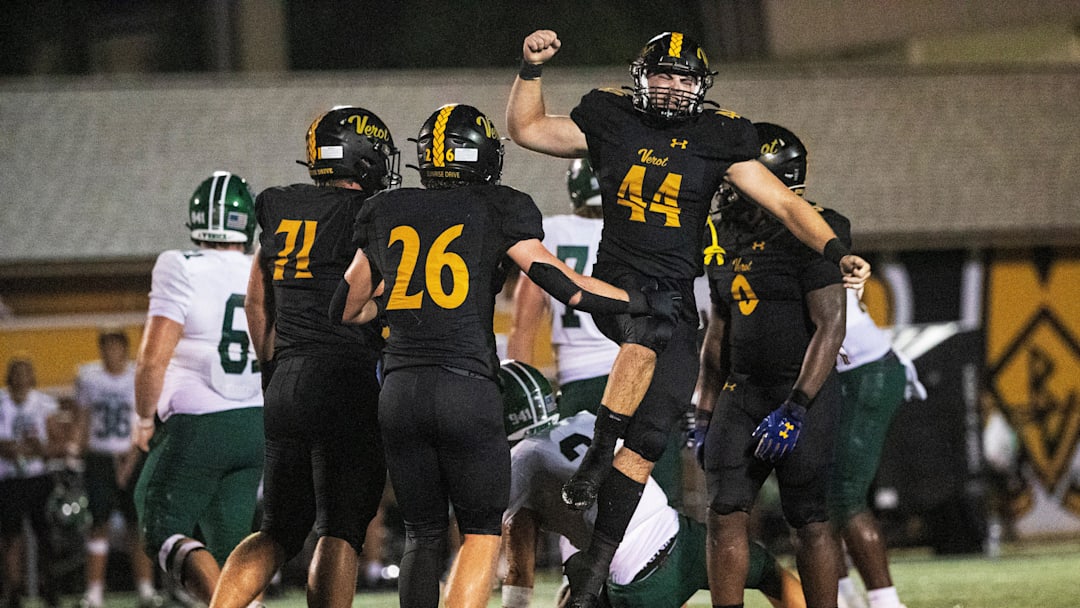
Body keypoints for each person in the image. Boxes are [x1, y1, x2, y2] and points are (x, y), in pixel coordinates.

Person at [505, 29, 870, 607]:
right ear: (640, 77)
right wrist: (529, 70)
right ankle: (600, 447)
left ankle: (597, 565)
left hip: (674, 299)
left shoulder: (718, 137)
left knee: (650, 438)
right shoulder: (613, 118)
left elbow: (785, 204)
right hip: (619, 287)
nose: (674, 88)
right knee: (645, 331)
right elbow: (526, 129)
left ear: (700, 87)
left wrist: (834, 251)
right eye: (664, 75)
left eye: (684, 78)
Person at [334, 103, 678, 608]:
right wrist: (640, 301)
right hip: (465, 387)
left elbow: (344, 308)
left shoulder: (386, 209)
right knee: (480, 532)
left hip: (401, 388)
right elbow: (566, 287)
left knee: (421, 534)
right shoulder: (499, 206)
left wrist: (401, 312)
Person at [208, 106, 399, 608]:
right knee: (340, 529)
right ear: (361, 157)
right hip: (345, 379)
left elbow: (256, 298)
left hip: (286, 377)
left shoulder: (278, 204)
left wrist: (273, 362)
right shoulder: (373, 212)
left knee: (277, 530)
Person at [496, 359, 806, 608]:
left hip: (636, 581)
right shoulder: (583, 420)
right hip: (680, 535)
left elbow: (519, 566)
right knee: (770, 573)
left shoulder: (522, 459)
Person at [694, 122, 850, 608]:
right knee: (723, 511)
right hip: (741, 392)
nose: (730, 188)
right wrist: (703, 405)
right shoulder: (721, 232)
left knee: (807, 516)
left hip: (800, 392)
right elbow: (720, 323)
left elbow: (831, 326)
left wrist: (798, 407)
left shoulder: (817, 229)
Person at [507, 157, 688, 509]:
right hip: (641, 378)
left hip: (579, 389)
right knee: (659, 501)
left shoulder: (552, 232)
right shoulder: (641, 232)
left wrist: (520, 402)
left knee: (576, 503)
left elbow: (522, 329)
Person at [131, 171, 265, 605]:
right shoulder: (263, 268)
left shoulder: (180, 265)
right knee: (233, 549)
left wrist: (143, 416)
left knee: (160, 523)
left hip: (198, 424)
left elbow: (153, 357)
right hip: (255, 420)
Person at [73, 329, 162, 608]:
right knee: (98, 523)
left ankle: (146, 590)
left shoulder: (137, 374)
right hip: (100, 457)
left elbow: (145, 418)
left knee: (137, 525)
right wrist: (77, 452)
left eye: (116, 346)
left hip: (132, 453)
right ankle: (95, 594)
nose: (111, 352)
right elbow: (84, 417)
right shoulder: (88, 376)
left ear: (125, 348)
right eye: (106, 346)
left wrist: (132, 456)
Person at [0, 357, 63, 608]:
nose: (21, 378)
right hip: (9, 478)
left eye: (26, 372)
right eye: (17, 372)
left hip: (37, 476)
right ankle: (14, 589)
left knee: (44, 535)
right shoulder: (2, 403)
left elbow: (56, 443)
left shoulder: (43, 404)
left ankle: (49, 585)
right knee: (11, 536)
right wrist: (16, 448)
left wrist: (38, 448)